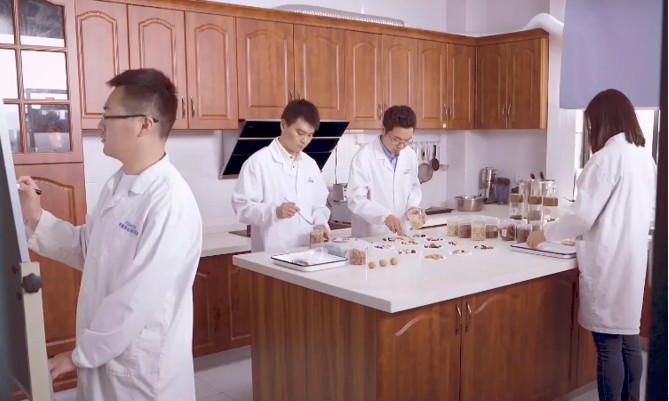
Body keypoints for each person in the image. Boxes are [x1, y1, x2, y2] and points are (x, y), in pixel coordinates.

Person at [17, 68, 202, 401]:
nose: (99, 126)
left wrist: (79, 355)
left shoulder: (169, 203)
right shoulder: (117, 185)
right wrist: (35, 216)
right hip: (106, 359)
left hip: (141, 373)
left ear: (144, 124)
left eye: (108, 116)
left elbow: (135, 300)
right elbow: (90, 249)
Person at [526, 89, 656, 401]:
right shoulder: (643, 158)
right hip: (632, 260)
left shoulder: (604, 160)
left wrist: (544, 233)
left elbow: (582, 216)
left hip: (608, 263)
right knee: (628, 339)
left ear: (601, 122)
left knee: (608, 345)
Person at [232, 99, 330, 252]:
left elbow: (319, 206)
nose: (304, 140)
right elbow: (242, 208)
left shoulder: (310, 164)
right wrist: (275, 211)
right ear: (283, 125)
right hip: (271, 256)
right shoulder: (258, 162)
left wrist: (320, 224)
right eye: (300, 133)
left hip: (308, 253)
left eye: (310, 135)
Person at [347, 105, 424, 237]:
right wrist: (384, 216)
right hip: (371, 237)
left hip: (401, 235)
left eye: (407, 141)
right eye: (396, 140)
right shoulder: (364, 158)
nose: (401, 146)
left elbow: (413, 187)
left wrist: (413, 208)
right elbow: (356, 199)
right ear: (383, 130)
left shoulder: (410, 155)